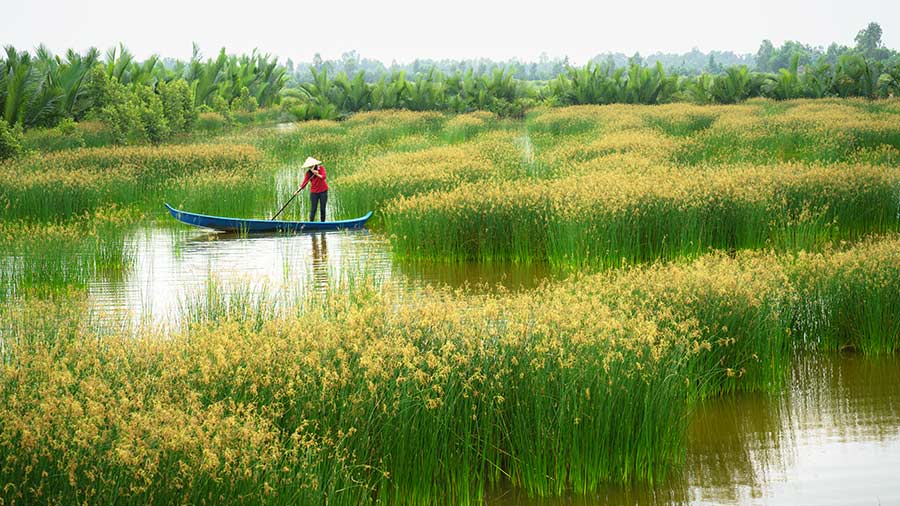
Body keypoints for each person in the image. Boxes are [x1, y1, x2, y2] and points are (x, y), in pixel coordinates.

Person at [299, 156, 329, 222]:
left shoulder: (321, 168)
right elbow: (304, 183)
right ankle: (311, 223)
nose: (310, 167)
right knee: (313, 209)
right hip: (314, 192)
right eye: (309, 166)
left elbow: (323, 177)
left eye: (311, 166)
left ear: (314, 164)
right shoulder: (308, 173)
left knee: (322, 208)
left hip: (323, 191)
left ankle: (323, 223)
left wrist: (317, 174)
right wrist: (298, 190)